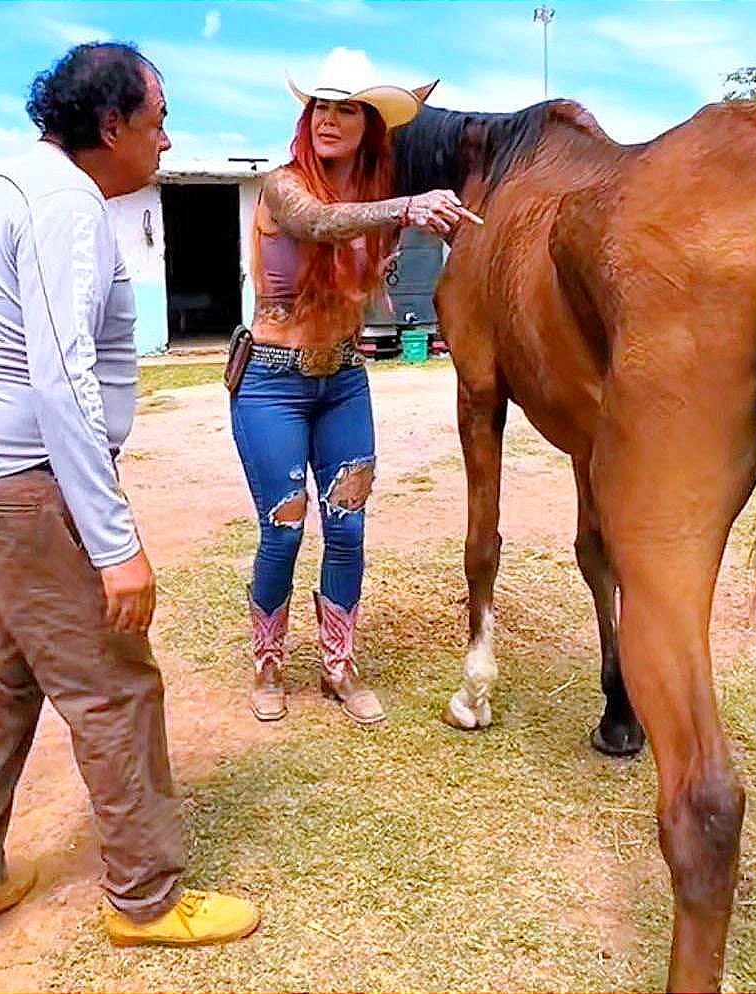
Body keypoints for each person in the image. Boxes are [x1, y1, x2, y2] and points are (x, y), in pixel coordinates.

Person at [0, 42, 259, 949]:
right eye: (155, 123)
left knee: (9, 673)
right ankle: (146, 898)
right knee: (115, 688)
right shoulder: (66, 203)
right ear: (109, 126)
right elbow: (60, 377)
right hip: (26, 492)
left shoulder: (15, 183)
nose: (165, 139)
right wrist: (115, 544)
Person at [231, 62, 474, 725]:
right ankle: (269, 663)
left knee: (348, 529)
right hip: (270, 380)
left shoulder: (374, 199)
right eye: (319, 108)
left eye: (346, 110)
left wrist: (409, 230)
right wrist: (406, 207)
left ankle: (338, 666)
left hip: (341, 378)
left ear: (368, 126)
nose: (328, 119)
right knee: (283, 531)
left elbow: (367, 231)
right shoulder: (285, 188)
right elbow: (317, 223)